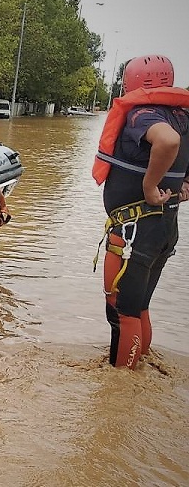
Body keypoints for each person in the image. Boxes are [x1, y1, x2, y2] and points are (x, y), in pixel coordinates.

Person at [93, 55, 189, 369]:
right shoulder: (182, 117)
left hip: (135, 231)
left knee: (122, 311)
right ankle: (140, 371)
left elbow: (168, 141)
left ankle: (119, 391)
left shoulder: (144, 114)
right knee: (139, 306)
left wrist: (150, 186)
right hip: (163, 229)